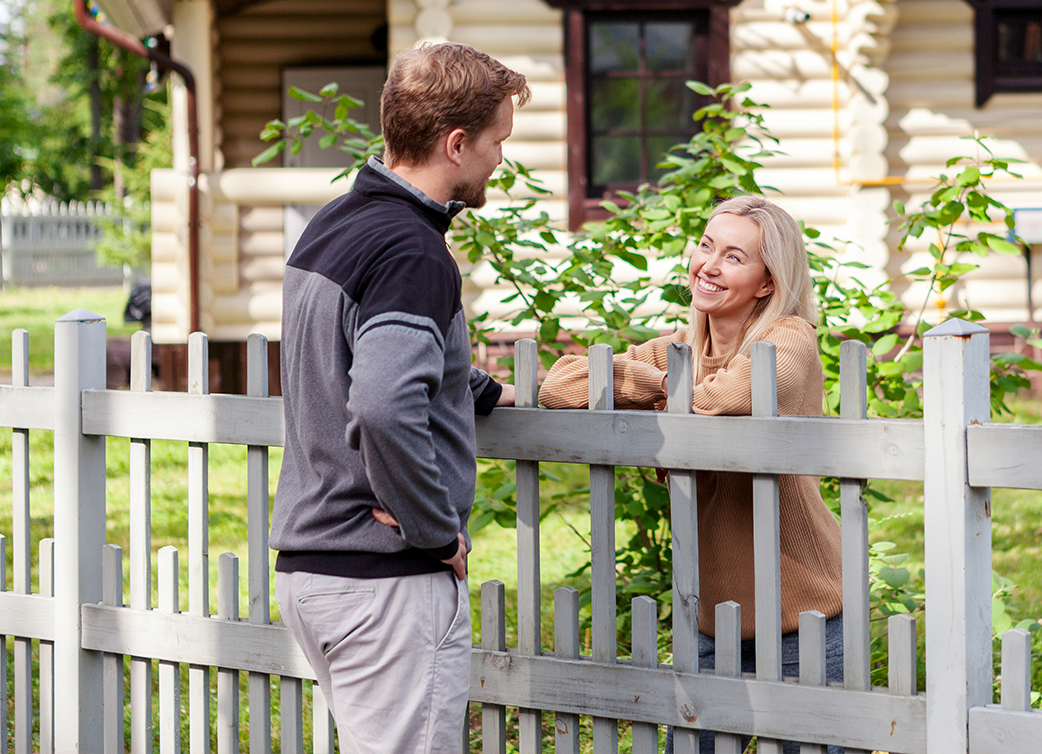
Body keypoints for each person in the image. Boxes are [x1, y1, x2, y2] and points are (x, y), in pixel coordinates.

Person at [268, 42, 528, 753]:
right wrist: (434, 529)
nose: (499, 160)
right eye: (497, 142)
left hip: (314, 572)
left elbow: (348, 358)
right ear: (456, 143)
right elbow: (382, 404)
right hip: (384, 580)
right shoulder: (412, 251)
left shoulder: (334, 226)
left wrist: (469, 387)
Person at [539, 195, 843, 754]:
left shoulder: (790, 339)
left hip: (803, 617)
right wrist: (659, 386)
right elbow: (559, 383)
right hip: (710, 619)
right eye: (706, 246)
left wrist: (640, 390)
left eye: (733, 257)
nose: (708, 264)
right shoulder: (675, 351)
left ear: (767, 282)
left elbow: (722, 403)